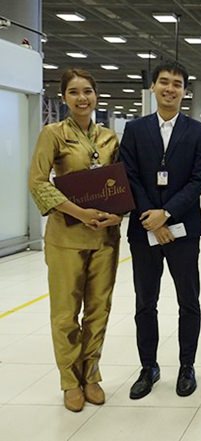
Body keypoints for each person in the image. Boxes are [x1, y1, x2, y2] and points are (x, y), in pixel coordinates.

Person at [28, 68, 122, 412]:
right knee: (66, 313)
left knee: (99, 309)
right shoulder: (52, 134)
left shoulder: (109, 138)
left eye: (87, 91)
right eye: (74, 92)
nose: (82, 98)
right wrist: (81, 214)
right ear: (64, 97)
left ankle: (91, 374)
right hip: (66, 234)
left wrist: (117, 214)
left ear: (96, 95)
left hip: (106, 237)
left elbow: (121, 184)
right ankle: (70, 380)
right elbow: (38, 182)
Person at [119, 61, 201, 400]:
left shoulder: (198, 132)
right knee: (146, 302)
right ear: (154, 87)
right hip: (144, 229)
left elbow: (198, 179)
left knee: (189, 301)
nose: (170, 89)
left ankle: (187, 366)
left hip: (184, 227)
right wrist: (151, 218)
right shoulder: (135, 129)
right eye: (164, 82)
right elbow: (129, 176)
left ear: (185, 91)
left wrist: (167, 214)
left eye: (177, 84)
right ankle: (149, 367)